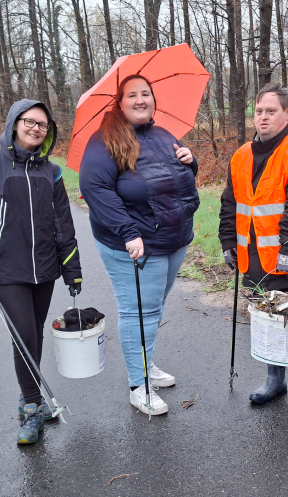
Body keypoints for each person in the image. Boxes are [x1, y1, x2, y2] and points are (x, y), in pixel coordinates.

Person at [0, 99, 83, 444]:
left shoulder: (52, 172)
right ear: (14, 123)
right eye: (29, 121)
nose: (35, 128)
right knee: (24, 334)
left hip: (45, 269)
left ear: (48, 132)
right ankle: (31, 406)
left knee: (35, 333)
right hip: (6, 269)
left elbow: (63, 226)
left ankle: (29, 395)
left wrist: (72, 269)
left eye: (42, 125)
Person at [79, 75, 200, 416]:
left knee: (154, 307)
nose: (140, 100)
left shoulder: (162, 135)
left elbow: (179, 181)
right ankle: (139, 384)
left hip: (172, 239)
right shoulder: (104, 142)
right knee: (139, 312)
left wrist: (192, 162)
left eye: (145, 93)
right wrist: (129, 232)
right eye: (131, 95)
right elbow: (95, 190)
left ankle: (146, 364)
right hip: (133, 245)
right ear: (119, 103)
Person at [218, 82, 288, 413]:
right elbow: (230, 203)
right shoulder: (241, 156)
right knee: (270, 318)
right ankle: (275, 380)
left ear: (287, 113)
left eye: (271, 111)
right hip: (257, 258)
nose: (263, 118)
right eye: (259, 112)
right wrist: (228, 242)